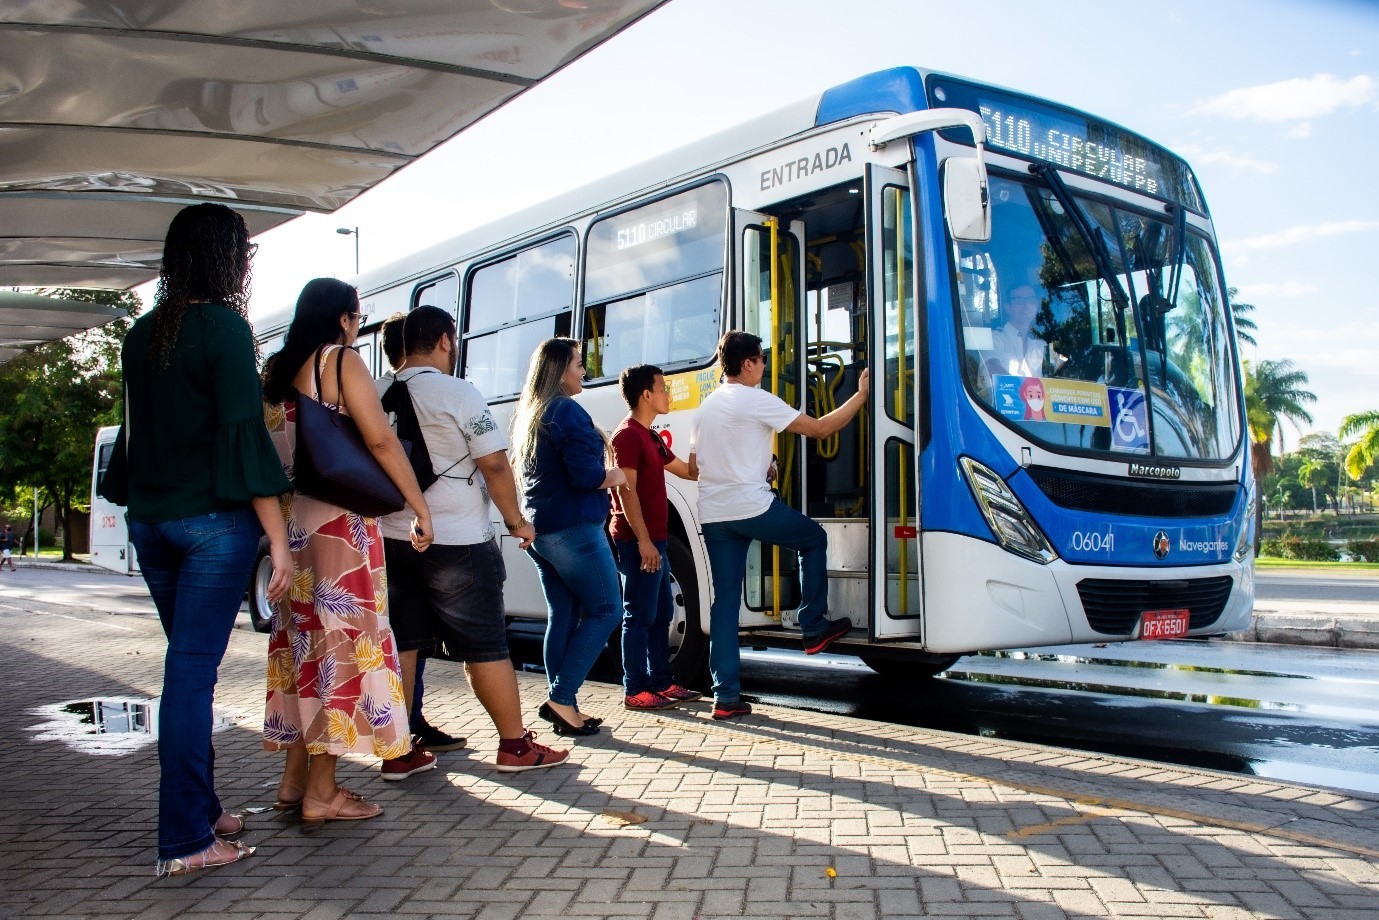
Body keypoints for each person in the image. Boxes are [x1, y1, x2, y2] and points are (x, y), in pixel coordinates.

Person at [118, 202, 293, 877]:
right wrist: (277, 541)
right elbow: (243, 437)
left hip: (152, 524)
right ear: (227, 259)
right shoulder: (224, 329)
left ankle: (206, 808)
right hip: (213, 528)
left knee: (189, 675)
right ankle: (187, 840)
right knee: (190, 681)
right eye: (243, 253)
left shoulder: (141, 336)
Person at [260, 278, 433, 823]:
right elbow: (380, 439)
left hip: (293, 530)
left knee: (305, 649)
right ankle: (323, 792)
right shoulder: (340, 362)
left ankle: (293, 783)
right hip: (341, 526)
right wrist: (416, 507)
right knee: (343, 649)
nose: (358, 328)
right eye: (358, 319)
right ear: (343, 318)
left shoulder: (275, 373)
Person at [379, 306, 569, 772]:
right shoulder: (458, 392)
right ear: (445, 340)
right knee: (484, 645)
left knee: (402, 644)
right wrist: (516, 521)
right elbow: (495, 464)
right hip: (458, 540)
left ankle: (399, 751)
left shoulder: (378, 392)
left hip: (393, 537)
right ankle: (514, 746)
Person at [689, 331, 869, 721]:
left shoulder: (705, 409)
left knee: (724, 604)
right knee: (813, 538)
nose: (766, 367)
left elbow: (696, 466)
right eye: (762, 360)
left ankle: (725, 697)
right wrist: (860, 397)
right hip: (750, 507)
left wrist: (758, 466)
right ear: (748, 364)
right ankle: (813, 625)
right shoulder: (756, 399)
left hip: (715, 514)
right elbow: (820, 429)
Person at [512, 337, 626, 737]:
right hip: (575, 530)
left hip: (543, 532)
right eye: (578, 364)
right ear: (561, 370)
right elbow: (586, 476)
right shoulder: (567, 411)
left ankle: (565, 706)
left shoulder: (535, 412)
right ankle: (561, 699)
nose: (584, 371)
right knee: (609, 609)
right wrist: (615, 475)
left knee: (564, 615)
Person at [377, 311, 466, 756]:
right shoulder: (423, 392)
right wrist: (421, 509)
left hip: (382, 531)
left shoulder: (378, 394)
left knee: (407, 634)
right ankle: (403, 727)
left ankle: (407, 724)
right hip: (420, 528)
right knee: (409, 637)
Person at [609, 364, 701, 711]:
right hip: (637, 541)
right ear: (646, 395)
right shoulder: (628, 435)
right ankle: (635, 688)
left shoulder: (649, 436)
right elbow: (625, 491)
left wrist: (697, 438)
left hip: (655, 540)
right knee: (639, 614)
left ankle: (662, 683)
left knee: (661, 611)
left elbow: (689, 472)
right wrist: (644, 541)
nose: (668, 394)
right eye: (662, 388)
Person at [986, 283, 1050, 378]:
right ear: (1007, 307)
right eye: (1018, 300)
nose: (1026, 305)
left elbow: (1061, 373)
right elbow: (993, 370)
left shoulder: (1040, 345)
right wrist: (1023, 389)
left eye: (1030, 300)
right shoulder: (994, 339)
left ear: (1036, 306)